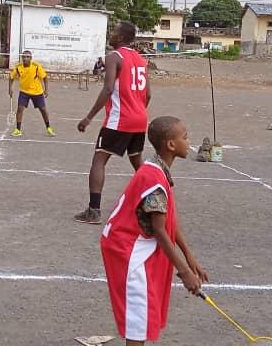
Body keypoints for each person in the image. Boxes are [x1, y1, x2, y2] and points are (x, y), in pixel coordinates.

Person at [101, 116, 208, 345]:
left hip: (131, 246)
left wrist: (189, 256)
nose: (189, 142)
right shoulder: (155, 179)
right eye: (185, 137)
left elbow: (168, 220)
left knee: (144, 311)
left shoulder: (157, 169)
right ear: (170, 144)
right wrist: (184, 272)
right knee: (138, 320)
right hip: (127, 251)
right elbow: (160, 230)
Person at [75, 21, 150, 224]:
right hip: (140, 118)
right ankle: (153, 200)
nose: (111, 33)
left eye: (114, 31)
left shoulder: (114, 57)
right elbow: (147, 94)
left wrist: (88, 117)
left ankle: (94, 210)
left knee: (99, 160)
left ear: (122, 37)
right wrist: (138, 110)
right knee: (137, 162)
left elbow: (108, 90)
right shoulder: (141, 60)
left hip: (120, 119)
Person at [8, 50, 54, 137]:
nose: (25, 58)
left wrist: (46, 90)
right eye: (24, 57)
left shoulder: (36, 67)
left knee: (43, 110)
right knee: (20, 109)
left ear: (31, 58)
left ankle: (48, 128)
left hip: (37, 92)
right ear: (22, 58)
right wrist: (10, 88)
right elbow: (11, 77)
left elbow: (45, 78)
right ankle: (18, 130)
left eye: (27, 57)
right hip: (24, 92)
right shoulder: (18, 67)